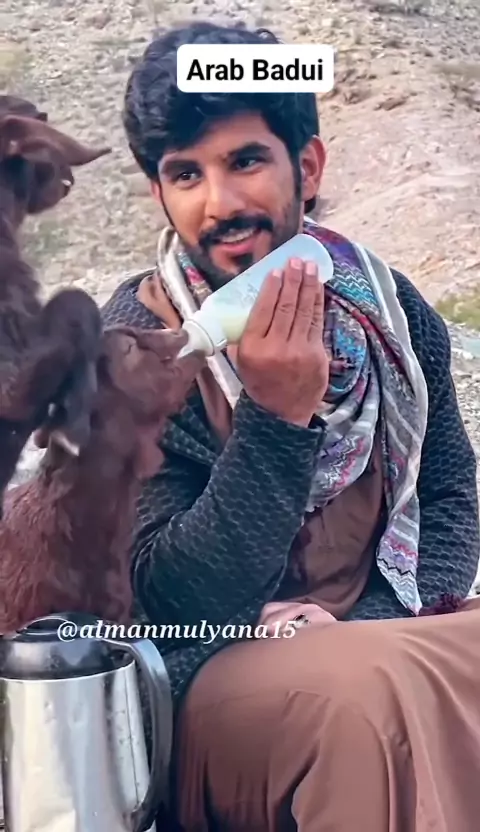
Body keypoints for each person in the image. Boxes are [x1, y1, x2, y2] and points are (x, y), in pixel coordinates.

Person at [101, 20, 480, 832]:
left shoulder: (388, 312)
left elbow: (448, 495)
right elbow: (164, 598)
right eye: (186, 174)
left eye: (245, 161)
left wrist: (361, 624)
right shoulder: (139, 348)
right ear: (159, 194)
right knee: (363, 699)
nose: (220, 204)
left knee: (371, 674)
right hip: (205, 673)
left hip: (372, 635)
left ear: (306, 166)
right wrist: (275, 417)